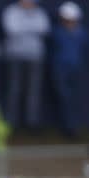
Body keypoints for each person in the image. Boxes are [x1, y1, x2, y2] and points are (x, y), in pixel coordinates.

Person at [2, 0, 50, 131]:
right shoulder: (11, 11)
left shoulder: (39, 12)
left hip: (35, 56)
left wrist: (24, 28)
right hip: (15, 56)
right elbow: (12, 30)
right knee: (14, 89)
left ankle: (32, 123)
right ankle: (12, 123)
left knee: (33, 91)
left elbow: (44, 29)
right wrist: (32, 28)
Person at [51, 1, 87, 137]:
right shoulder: (57, 33)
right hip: (60, 70)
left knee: (76, 99)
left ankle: (76, 127)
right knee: (64, 98)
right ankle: (68, 128)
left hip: (77, 70)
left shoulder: (82, 33)